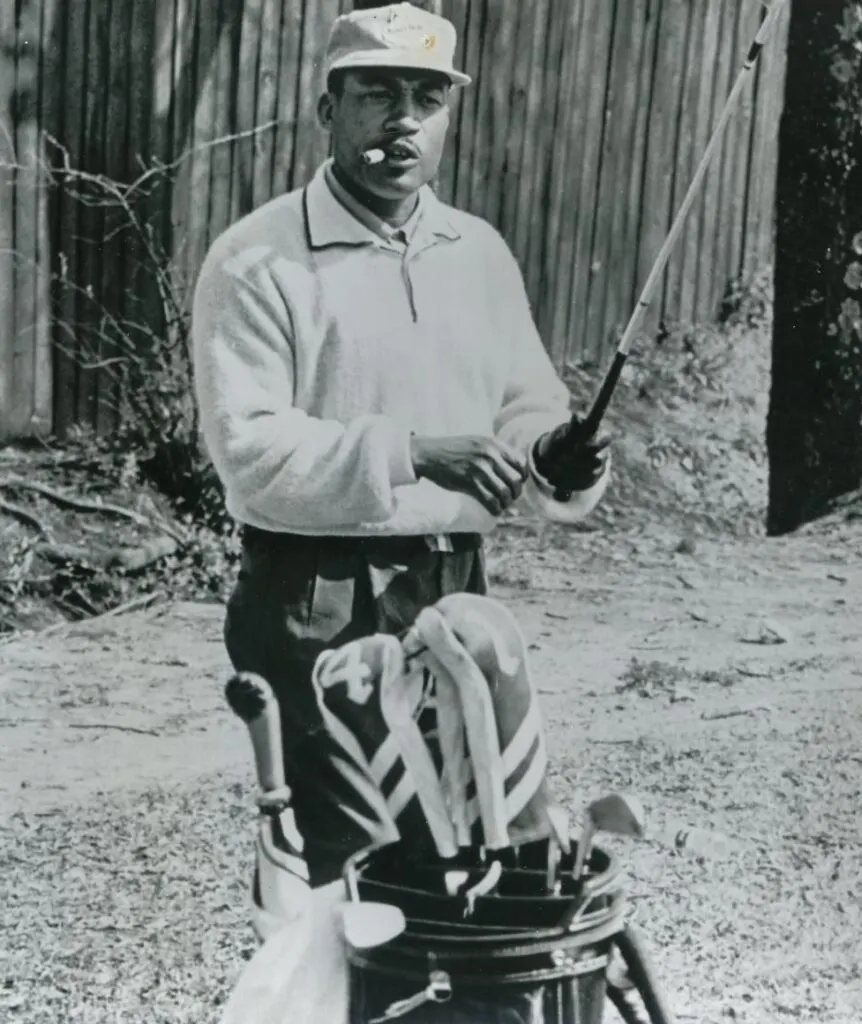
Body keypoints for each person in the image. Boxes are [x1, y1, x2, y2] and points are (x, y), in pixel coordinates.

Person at [191, 1, 612, 891]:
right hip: (316, 592)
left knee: (476, 850)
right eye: (376, 94)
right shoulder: (257, 261)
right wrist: (416, 453)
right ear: (327, 110)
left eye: (426, 98)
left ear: (448, 117)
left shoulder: (479, 254)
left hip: (456, 585)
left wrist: (556, 455)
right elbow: (250, 453)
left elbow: (523, 410)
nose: (402, 121)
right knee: (361, 873)